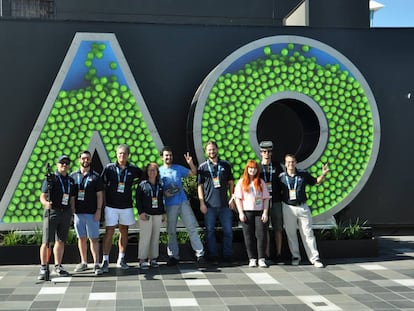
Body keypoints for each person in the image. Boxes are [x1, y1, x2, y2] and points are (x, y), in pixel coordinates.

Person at [279, 154, 329, 268]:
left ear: (296, 162)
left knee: (308, 233)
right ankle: (296, 256)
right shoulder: (281, 177)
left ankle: (315, 258)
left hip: (303, 207)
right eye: (288, 162)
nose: (290, 164)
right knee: (291, 234)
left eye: (292, 162)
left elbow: (315, 181)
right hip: (288, 207)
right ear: (285, 164)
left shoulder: (303, 174)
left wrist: (323, 174)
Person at [159, 146, 205, 266]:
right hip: (169, 205)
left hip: (183, 202)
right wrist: (164, 193)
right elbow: (157, 190)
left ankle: (200, 254)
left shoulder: (178, 168)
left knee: (191, 228)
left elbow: (193, 173)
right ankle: (173, 256)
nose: (168, 157)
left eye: (170, 155)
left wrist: (190, 163)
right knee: (171, 231)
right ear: (162, 157)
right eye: (166, 155)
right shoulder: (158, 171)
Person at [101, 144, 142, 272]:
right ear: (116, 154)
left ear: (128, 155)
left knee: (124, 231)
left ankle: (121, 258)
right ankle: (105, 260)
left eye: (124, 153)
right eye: (120, 153)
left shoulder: (133, 169)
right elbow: (102, 183)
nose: (122, 156)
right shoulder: (109, 168)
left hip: (126, 206)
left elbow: (142, 177)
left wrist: (131, 184)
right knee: (109, 231)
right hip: (111, 206)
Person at [38, 155, 76, 280]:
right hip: (52, 212)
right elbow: (42, 196)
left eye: (66, 163)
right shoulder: (51, 179)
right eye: (62, 163)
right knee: (47, 241)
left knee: (60, 240)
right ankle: (44, 267)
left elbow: (71, 198)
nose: (64, 165)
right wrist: (45, 203)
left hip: (65, 212)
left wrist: (71, 212)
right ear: (57, 164)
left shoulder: (70, 180)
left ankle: (58, 265)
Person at [197, 141, 235, 264]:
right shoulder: (202, 167)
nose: (211, 152)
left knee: (228, 231)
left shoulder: (225, 165)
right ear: (206, 152)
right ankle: (213, 256)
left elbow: (231, 183)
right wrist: (202, 203)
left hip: (225, 205)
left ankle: (228, 255)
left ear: (217, 150)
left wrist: (232, 199)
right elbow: (199, 186)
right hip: (209, 206)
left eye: (213, 149)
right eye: (209, 150)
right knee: (209, 232)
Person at [70, 151, 104, 275]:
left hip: (92, 213)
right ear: (79, 160)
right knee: (81, 238)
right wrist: (73, 211)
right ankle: (84, 262)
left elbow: (100, 195)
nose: (85, 160)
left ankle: (96, 263)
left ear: (90, 160)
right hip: (78, 213)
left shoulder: (95, 176)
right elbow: (72, 196)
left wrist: (99, 211)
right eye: (83, 158)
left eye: (88, 159)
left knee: (94, 238)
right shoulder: (73, 176)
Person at [234, 160, 270, 268]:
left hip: (259, 212)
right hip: (246, 211)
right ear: (247, 169)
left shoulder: (261, 182)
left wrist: (265, 212)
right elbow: (238, 198)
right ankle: (252, 258)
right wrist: (240, 212)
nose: (252, 170)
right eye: (250, 168)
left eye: (254, 168)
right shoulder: (241, 182)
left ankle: (261, 258)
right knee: (248, 236)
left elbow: (266, 198)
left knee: (261, 235)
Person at [136, 163, 166, 269]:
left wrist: (163, 213)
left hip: (157, 214)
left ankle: (153, 258)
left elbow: (162, 201)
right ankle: (142, 259)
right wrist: (141, 212)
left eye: (154, 170)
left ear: (157, 172)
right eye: (150, 170)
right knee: (145, 237)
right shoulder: (142, 184)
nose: (152, 172)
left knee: (155, 237)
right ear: (147, 172)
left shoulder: (160, 185)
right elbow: (138, 200)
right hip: (146, 214)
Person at [258, 141, 284, 261]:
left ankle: (279, 253)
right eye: (264, 151)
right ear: (260, 153)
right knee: (265, 228)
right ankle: (267, 253)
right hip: (263, 203)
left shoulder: (278, 166)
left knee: (278, 228)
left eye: (268, 151)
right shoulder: (257, 167)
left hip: (277, 201)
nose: (266, 154)